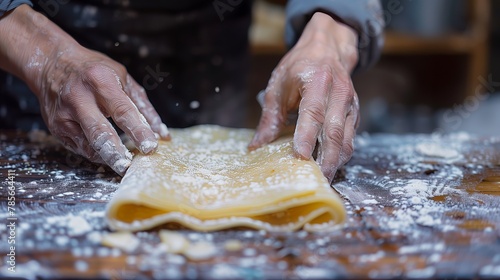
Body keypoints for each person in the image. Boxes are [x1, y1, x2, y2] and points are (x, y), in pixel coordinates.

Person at [0, 0, 384, 182]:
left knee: (224, 188)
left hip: (210, 37)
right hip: (45, 41)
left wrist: (328, 34)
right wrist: (47, 59)